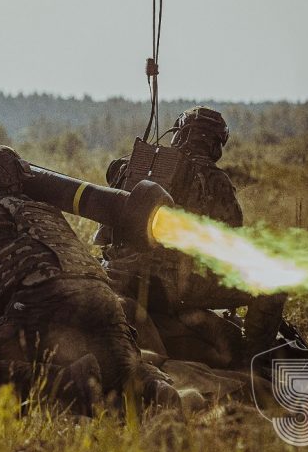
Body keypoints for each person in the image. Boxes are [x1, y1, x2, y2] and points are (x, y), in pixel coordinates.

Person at [0, 145, 178, 412]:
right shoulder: (47, 211)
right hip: (105, 299)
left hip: (45, 300)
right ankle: (155, 386)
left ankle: (72, 380)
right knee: (124, 371)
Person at [97, 106, 286, 367]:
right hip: (172, 287)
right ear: (215, 145)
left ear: (178, 134)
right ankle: (251, 361)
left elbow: (104, 232)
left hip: (119, 276)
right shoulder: (215, 180)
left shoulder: (132, 167)